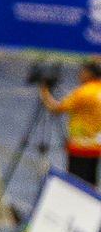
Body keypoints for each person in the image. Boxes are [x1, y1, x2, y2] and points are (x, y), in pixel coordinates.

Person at [38, 56, 101, 187]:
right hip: (95, 146)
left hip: (79, 147)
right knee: (90, 183)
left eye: (81, 71)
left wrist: (43, 89)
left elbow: (55, 107)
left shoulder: (83, 92)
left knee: (76, 186)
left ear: (88, 73)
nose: (79, 74)